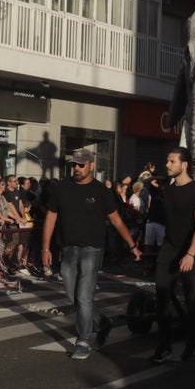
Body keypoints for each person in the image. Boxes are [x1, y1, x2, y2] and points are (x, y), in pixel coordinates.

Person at [41, 148, 141, 360]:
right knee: (73, 295)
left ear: (91, 166)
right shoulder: (61, 188)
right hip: (68, 249)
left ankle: (83, 341)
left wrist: (132, 245)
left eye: (81, 165)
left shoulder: (101, 191)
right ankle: (102, 321)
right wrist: (46, 248)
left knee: (84, 296)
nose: (76, 168)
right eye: (74, 165)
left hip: (92, 250)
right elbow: (50, 217)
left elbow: (116, 220)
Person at [150, 148, 195, 364]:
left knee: (191, 299)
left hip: (192, 251)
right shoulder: (167, 190)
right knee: (162, 297)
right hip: (169, 249)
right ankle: (164, 345)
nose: (167, 165)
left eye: (171, 161)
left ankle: (190, 346)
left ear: (184, 165)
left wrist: (190, 254)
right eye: (167, 160)